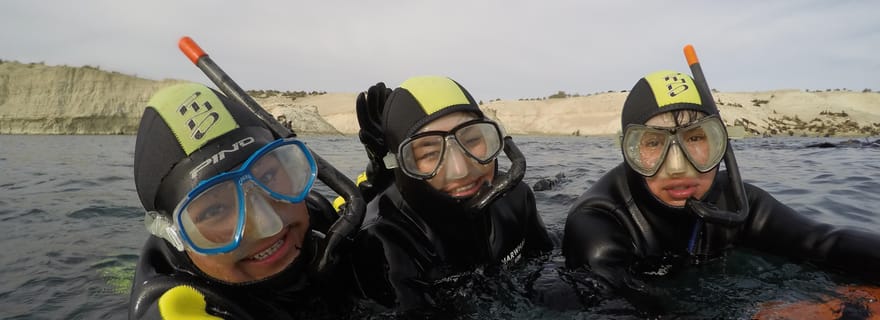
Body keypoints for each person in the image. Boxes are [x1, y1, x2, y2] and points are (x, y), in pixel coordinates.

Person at [562, 70, 880, 314]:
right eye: (653, 143)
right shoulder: (599, 224)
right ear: (629, 152)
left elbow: (825, 242)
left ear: (721, 145)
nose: (677, 167)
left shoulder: (735, 202)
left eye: (696, 138)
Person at [128, 82, 360, 319]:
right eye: (215, 209)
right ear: (174, 235)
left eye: (269, 177)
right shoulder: (182, 308)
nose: (270, 225)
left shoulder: (318, 214)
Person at [348, 76, 554, 312]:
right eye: (429, 154)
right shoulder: (385, 241)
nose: (461, 170)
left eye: (473, 139)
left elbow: (547, 272)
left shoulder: (517, 197)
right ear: (402, 164)